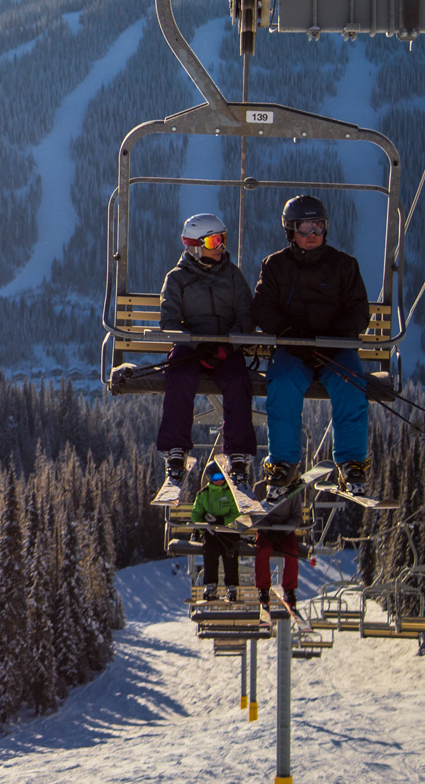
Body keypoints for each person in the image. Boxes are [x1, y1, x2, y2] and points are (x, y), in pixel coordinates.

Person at [251, 195, 371, 498]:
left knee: (351, 383)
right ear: (290, 231)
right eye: (305, 229)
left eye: (318, 227)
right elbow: (263, 308)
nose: (312, 236)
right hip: (294, 348)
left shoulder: (344, 266)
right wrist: (288, 333)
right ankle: (283, 463)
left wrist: (336, 338)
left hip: (335, 347)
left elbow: (358, 311)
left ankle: (351, 461)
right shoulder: (275, 266)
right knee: (282, 385)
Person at [156, 213, 256, 489]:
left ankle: (238, 454)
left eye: (222, 239)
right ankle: (175, 450)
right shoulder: (177, 279)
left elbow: (246, 315)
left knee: (237, 382)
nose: (221, 246)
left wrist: (228, 346)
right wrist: (195, 344)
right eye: (214, 241)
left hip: (225, 347)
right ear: (196, 246)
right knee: (178, 376)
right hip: (192, 348)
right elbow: (169, 321)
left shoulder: (233, 276)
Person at [191, 463, 241, 602]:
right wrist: (204, 528)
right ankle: (211, 585)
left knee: (230, 551)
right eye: (214, 477)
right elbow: (196, 514)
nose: (218, 480)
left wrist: (223, 521)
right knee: (210, 551)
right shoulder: (203, 494)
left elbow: (236, 512)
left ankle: (231, 586)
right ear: (209, 478)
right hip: (211, 532)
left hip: (228, 530)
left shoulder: (231, 493)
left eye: (221, 476)